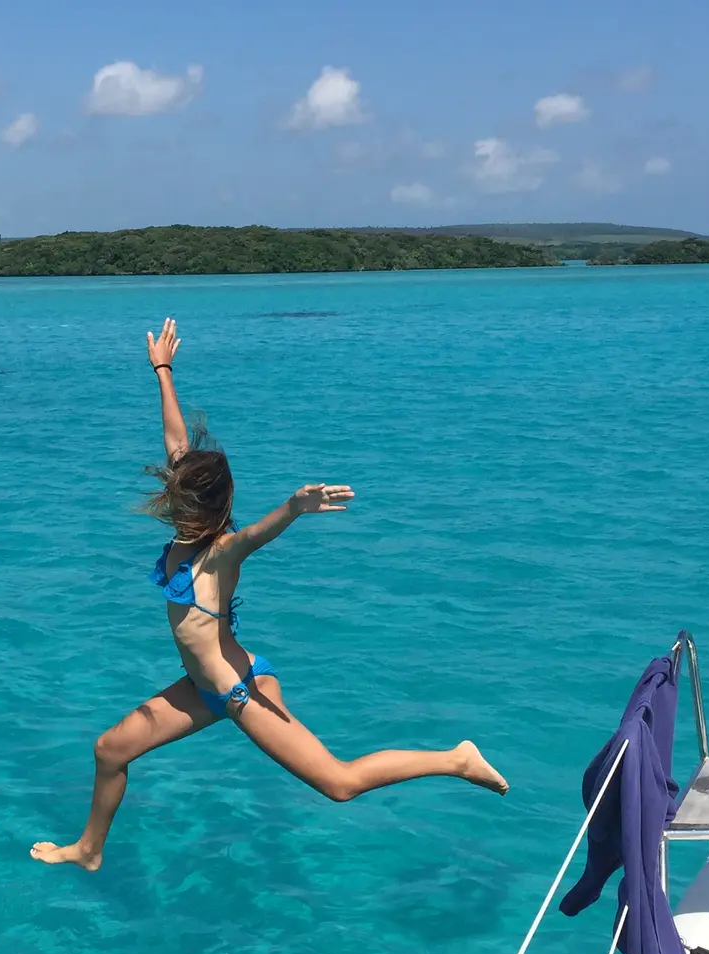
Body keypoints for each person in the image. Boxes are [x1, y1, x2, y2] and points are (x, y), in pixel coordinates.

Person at [31, 318, 509, 871]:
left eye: (176, 494)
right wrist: (163, 371)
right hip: (202, 686)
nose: (166, 496)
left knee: (338, 782)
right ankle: (89, 851)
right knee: (110, 749)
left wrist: (293, 506)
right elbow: (177, 442)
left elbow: (257, 534)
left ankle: (455, 760)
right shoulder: (187, 531)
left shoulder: (221, 551)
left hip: (239, 691)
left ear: (198, 509)